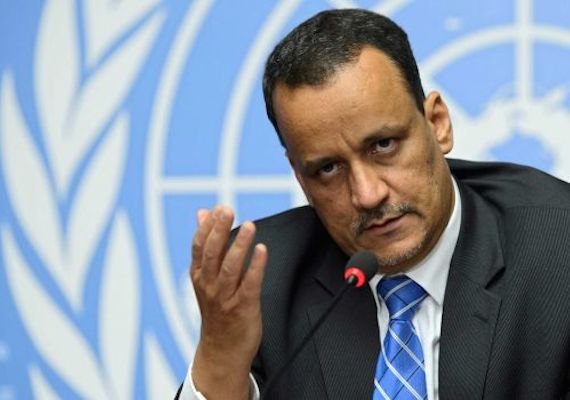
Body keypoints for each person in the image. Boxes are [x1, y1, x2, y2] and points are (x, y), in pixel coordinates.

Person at [177, 8, 570, 400]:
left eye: (383, 145)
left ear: (437, 123)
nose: (367, 195)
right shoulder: (262, 284)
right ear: (300, 176)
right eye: (328, 169)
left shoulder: (559, 249)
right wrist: (220, 359)